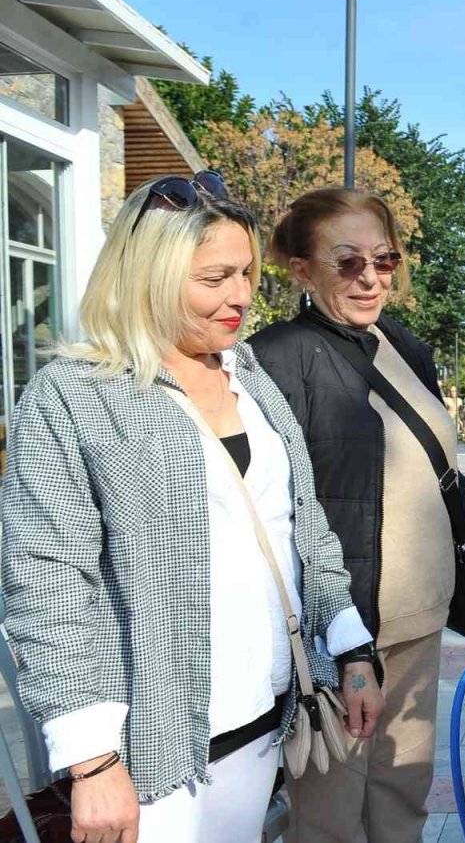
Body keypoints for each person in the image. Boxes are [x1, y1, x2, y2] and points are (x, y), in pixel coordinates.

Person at [0, 174, 382, 843]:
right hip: (153, 750)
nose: (240, 296)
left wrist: (351, 650)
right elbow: (49, 585)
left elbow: (301, 524)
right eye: (214, 279)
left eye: (245, 273)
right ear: (147, 274)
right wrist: (92, 762)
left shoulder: (248, 375)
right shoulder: (74, 395)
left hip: (263, 721)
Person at [249, 188, 465, 842]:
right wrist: (334, 640)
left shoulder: (403, 345)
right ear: (300, 268)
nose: (370, 277)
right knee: (331, 814)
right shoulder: (277, 359)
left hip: (419, 619)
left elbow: (440, 467)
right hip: (341, 633)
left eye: (384, 259)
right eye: (347, 263)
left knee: (403, 794)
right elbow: (273, 508)